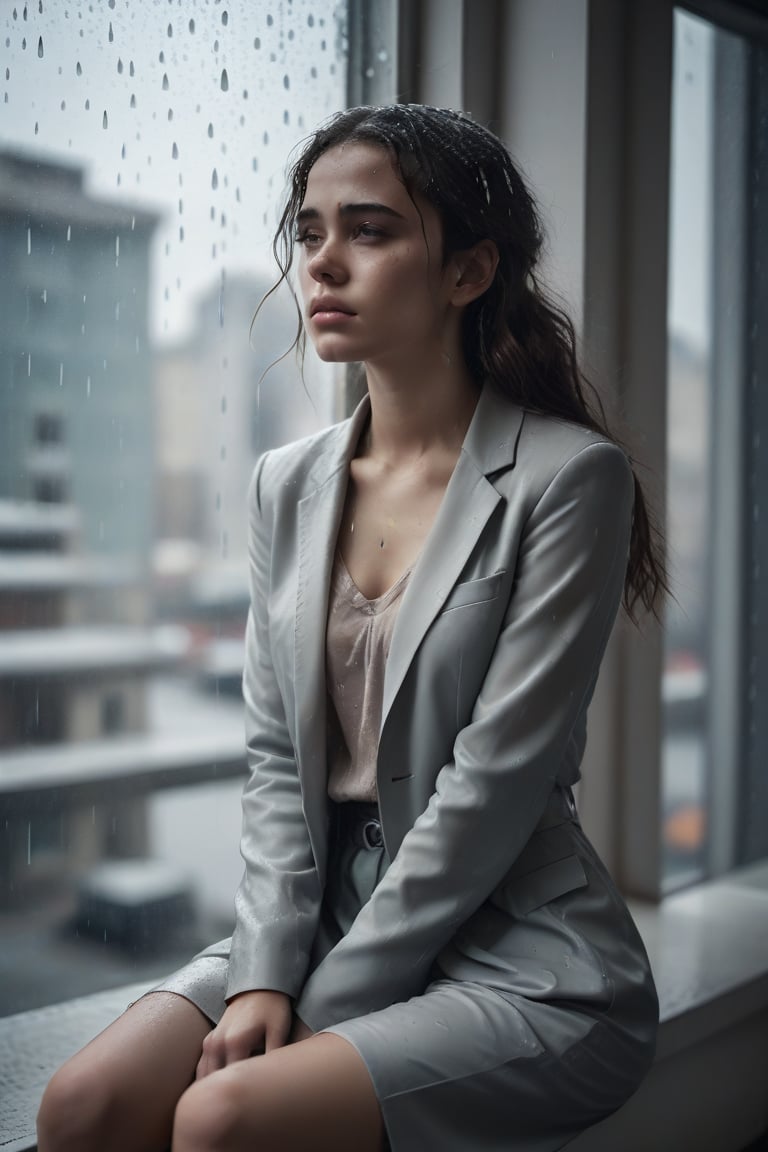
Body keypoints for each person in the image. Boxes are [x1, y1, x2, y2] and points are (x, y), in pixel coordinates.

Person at [38, 104, 664, 1152]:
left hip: (517, 938)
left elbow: (494, 784)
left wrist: (319, 1007)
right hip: (315, 909)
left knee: (225, 1120)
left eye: (370, 231)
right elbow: (280, 760)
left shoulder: (568, 479)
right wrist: (264, 975)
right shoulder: (287, 483)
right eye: (312, 231)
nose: (323, 265)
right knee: (82, 1108)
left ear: (469, 271)